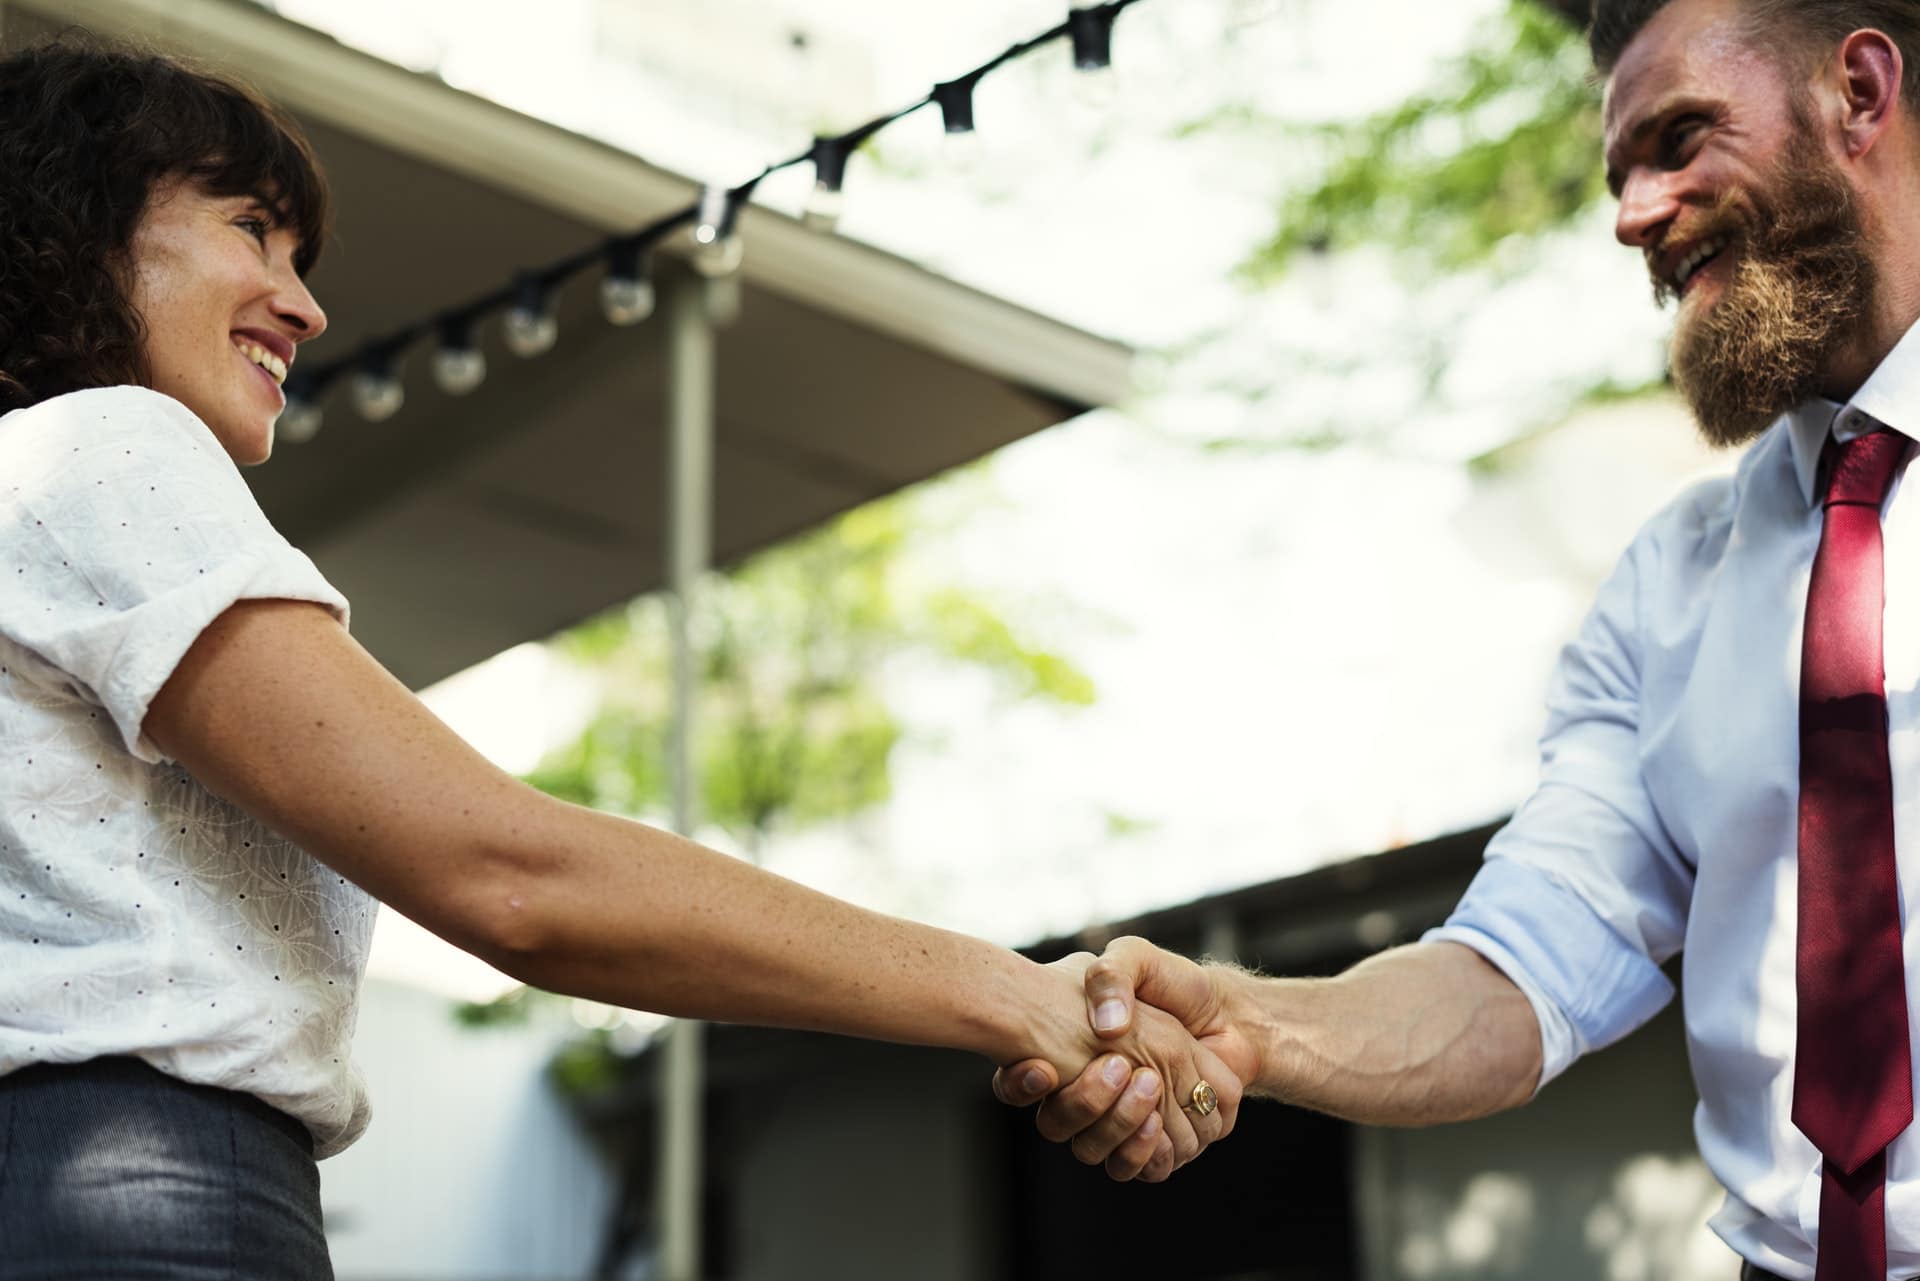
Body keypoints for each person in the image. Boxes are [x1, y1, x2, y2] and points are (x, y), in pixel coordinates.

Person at [0, 37, 1243, 1279]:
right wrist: (1018, 996)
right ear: (76, 220)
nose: (307, 304)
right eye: (252, 228)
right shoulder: (103, 451)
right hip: (133, 1200)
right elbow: (508, 874)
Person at [999, 1, 1920, 1277]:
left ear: (1860, 92)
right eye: (1620, 173)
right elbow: (1521, 972)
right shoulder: (1668, 586)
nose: (1634, 213)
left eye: (1681, 139)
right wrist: (1253, 1023)